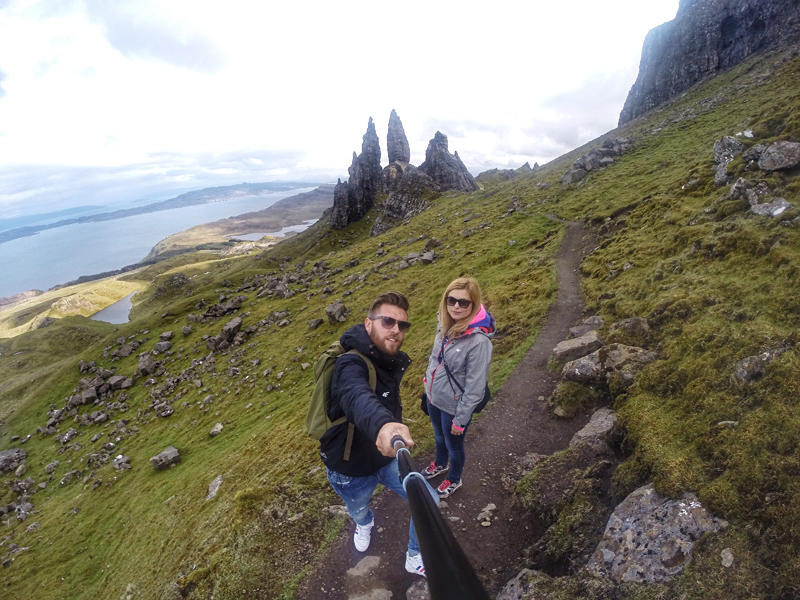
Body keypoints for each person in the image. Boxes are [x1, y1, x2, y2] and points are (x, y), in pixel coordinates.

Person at [319, 290, 438, 577]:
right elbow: (355, 394)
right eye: (388, 321)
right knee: (359, 511)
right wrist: (383, 426)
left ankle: (414, 555)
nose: (396, 330)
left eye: (402, 325)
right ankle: (364, 523)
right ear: (368, 323)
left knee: (429, 501)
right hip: (350, 469)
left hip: (388, 459)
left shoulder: (388, 359)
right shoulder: (350, 363)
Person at [421, 278, 495, 498]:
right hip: (434, 396)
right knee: (438, 437)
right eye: (451, 300)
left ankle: (454, 478)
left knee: (454, 445)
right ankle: (441, 463)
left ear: (473, 304)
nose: (455, 306)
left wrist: (461, 419)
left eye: (463, 303)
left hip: (455, 405)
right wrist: (427, 385)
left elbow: (475, 386)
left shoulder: (479, 342)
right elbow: (435, 358)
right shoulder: (444, 323)